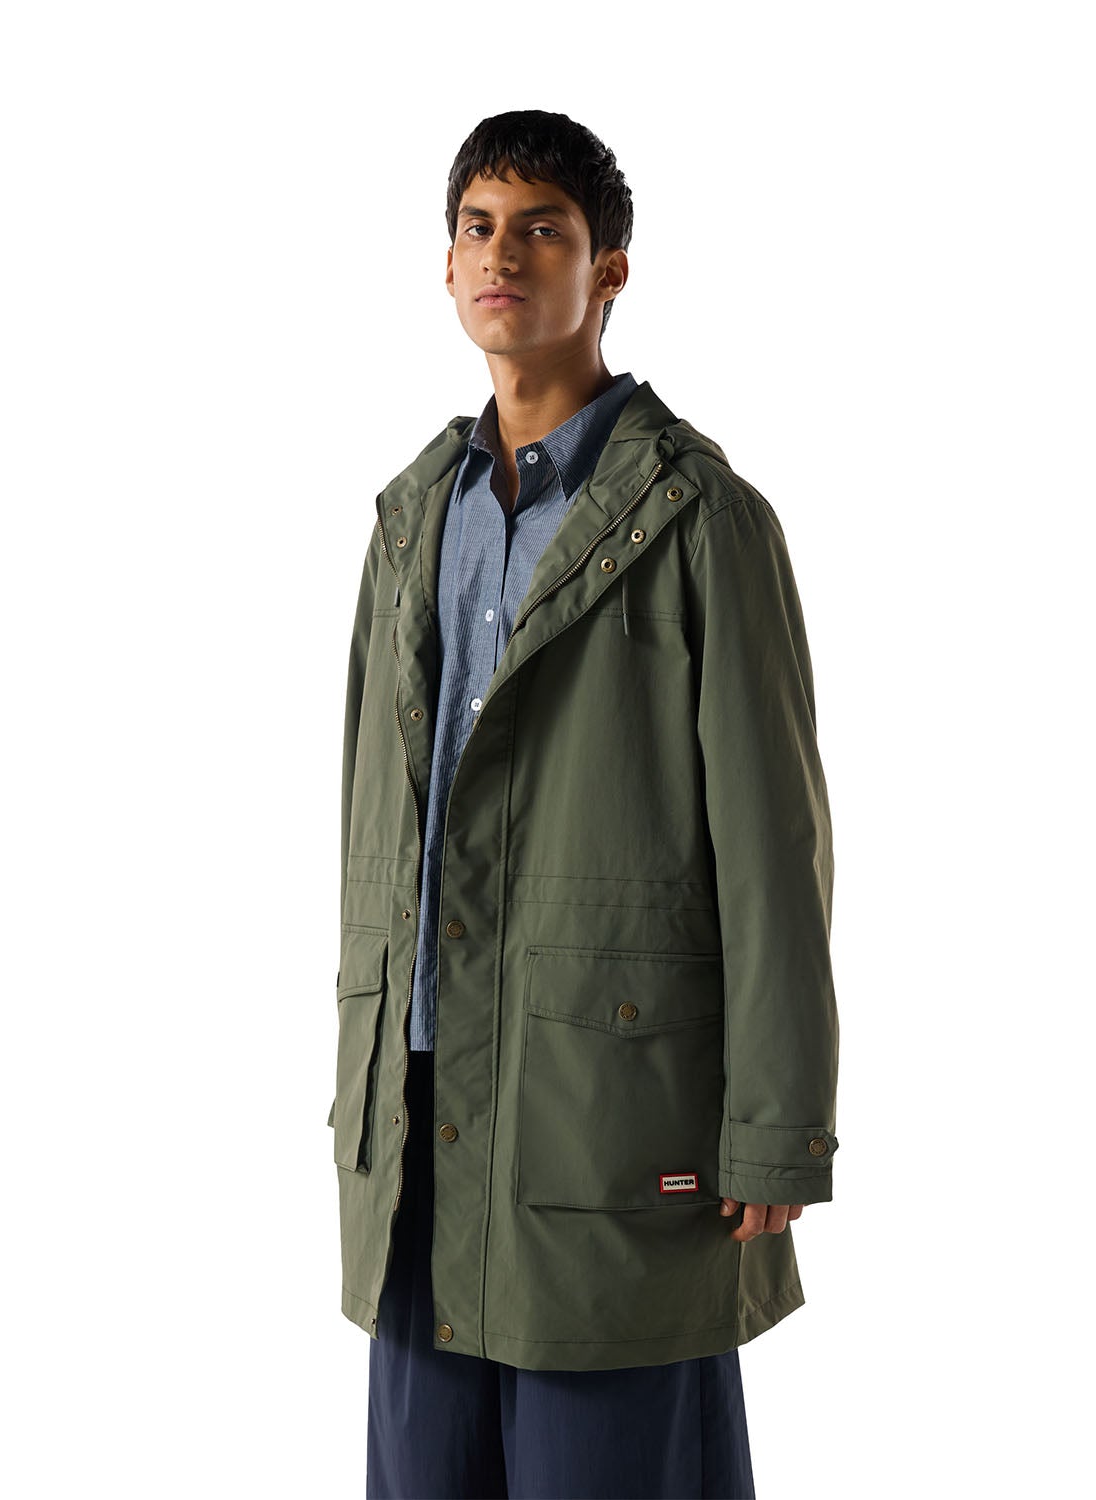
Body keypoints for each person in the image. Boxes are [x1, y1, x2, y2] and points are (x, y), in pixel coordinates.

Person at [330, 109, 840, 1500]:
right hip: (420, 1108)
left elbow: (775, 844)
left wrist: (778, 1123)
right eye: (479, 228)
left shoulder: (700, 518)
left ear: (608, 270)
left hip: (609, 1106)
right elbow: (371, 824)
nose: (503, 256)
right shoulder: (411, 521)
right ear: (446, 265)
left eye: (541, 230)